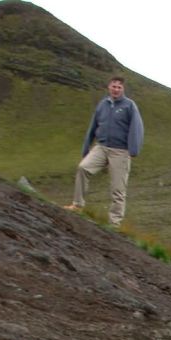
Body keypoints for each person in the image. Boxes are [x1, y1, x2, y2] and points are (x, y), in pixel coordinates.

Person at [64, 76, 144, 227]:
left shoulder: (129, 106)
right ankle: (77, 205)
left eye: (119, 87)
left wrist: (133, 150)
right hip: (101, 147)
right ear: (109, 87)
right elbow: (93, 126)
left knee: (118, 189)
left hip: (120, 151)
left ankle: (114, 223)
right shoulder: (103, 104)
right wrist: (86, 147)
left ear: (123, 89)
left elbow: (137, 128)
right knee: (83, 168)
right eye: (113, 86)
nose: (116, 89)